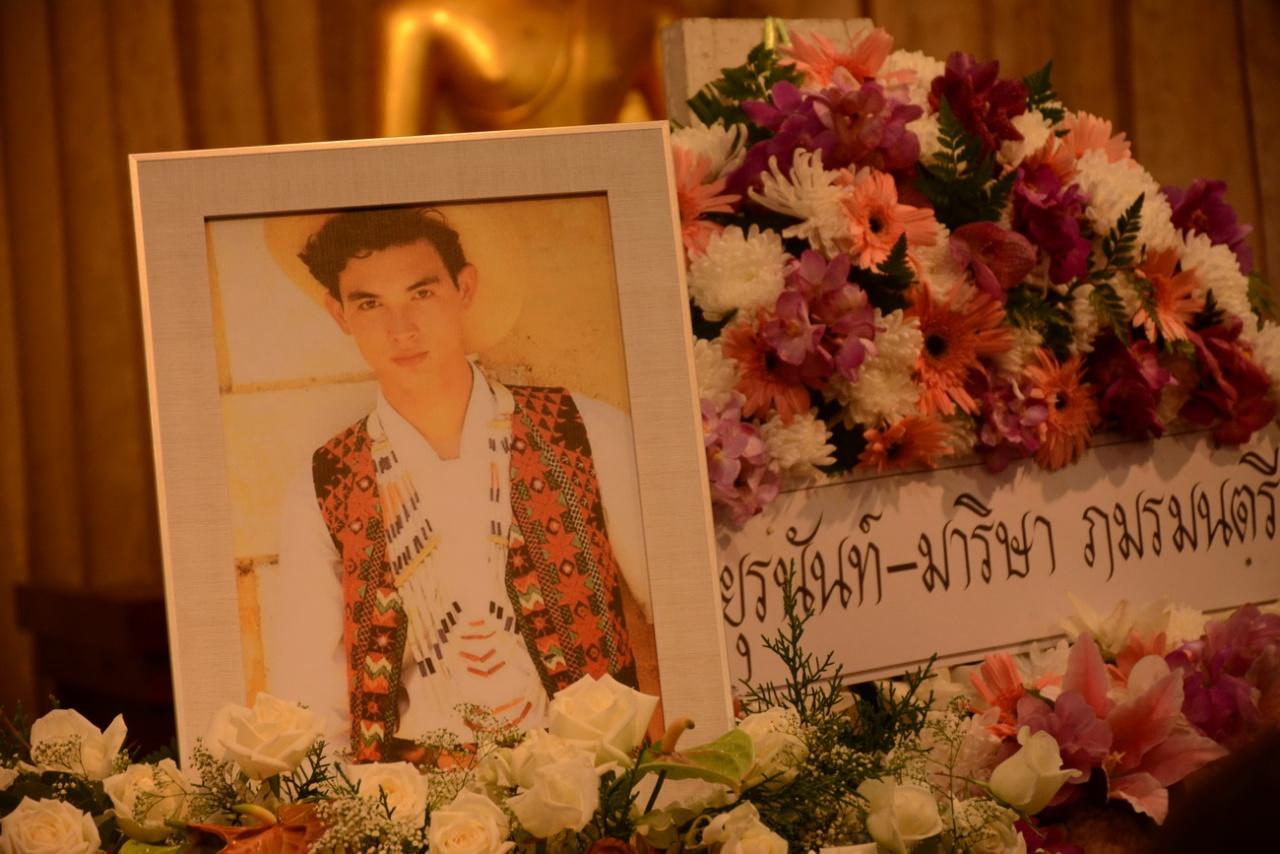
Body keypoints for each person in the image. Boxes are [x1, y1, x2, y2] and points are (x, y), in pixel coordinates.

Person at [265, 207, 653, 762]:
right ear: (339, 313)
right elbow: (308, 704)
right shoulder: (323, 485)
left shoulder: (584, 431)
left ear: (463, 288)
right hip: (415, 793)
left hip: (594, 780)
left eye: (421, 293)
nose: (401, 329)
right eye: (370, 304)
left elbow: (680, 607)